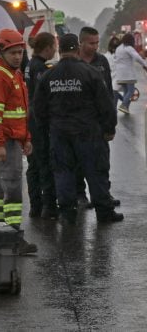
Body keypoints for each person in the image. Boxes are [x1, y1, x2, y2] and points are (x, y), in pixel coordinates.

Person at [33, 33, 123, 224]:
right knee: (95, 171)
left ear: (60, 49)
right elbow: (105, 104)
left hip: (59, 133)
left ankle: (67, 213)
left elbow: (38, 108)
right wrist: (109, 128)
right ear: (77, 48)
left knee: (63, 172)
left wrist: (45, 129)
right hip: (88, 132)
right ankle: (104, 212)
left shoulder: (49, 75)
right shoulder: (90, 73)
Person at [0, 29, 37, 254]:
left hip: (12, 140)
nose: (18, 57)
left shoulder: (14, 75)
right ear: (1, 53)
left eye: (20, 52)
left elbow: (20, 112)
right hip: (4, 141)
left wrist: (26, 138)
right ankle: (13, 236)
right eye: (13, 53)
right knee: (12, 188)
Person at [75, 27, 118, 208]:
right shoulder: (74, 62)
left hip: (99, 122)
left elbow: (108, 91)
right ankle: (80, 195)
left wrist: (109, 122)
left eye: (97, 43)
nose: (95, 46)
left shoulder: (102, 61)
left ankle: (103, 195)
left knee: (102, 162)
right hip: (78, 122)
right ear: (81, 43)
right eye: (91, 43)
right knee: (78, 161)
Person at [24, 32, 58, 219]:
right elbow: (42, 97)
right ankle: (48, 207)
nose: (55, 50)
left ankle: (35, 206)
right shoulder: (40, 69)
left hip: (31, 121)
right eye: (54, 46)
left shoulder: (30, 65)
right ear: (47, 48)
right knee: (43, 163)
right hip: (39, 122)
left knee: (33, 165)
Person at [114, 32, 147, 114]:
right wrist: (145, 65)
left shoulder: (118, 48)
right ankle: (124, 105)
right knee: (131, 91)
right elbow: (137, 58)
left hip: (120, 74)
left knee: (126, 91)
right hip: (128, 74)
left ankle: (126, 108)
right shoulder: (128, 48)